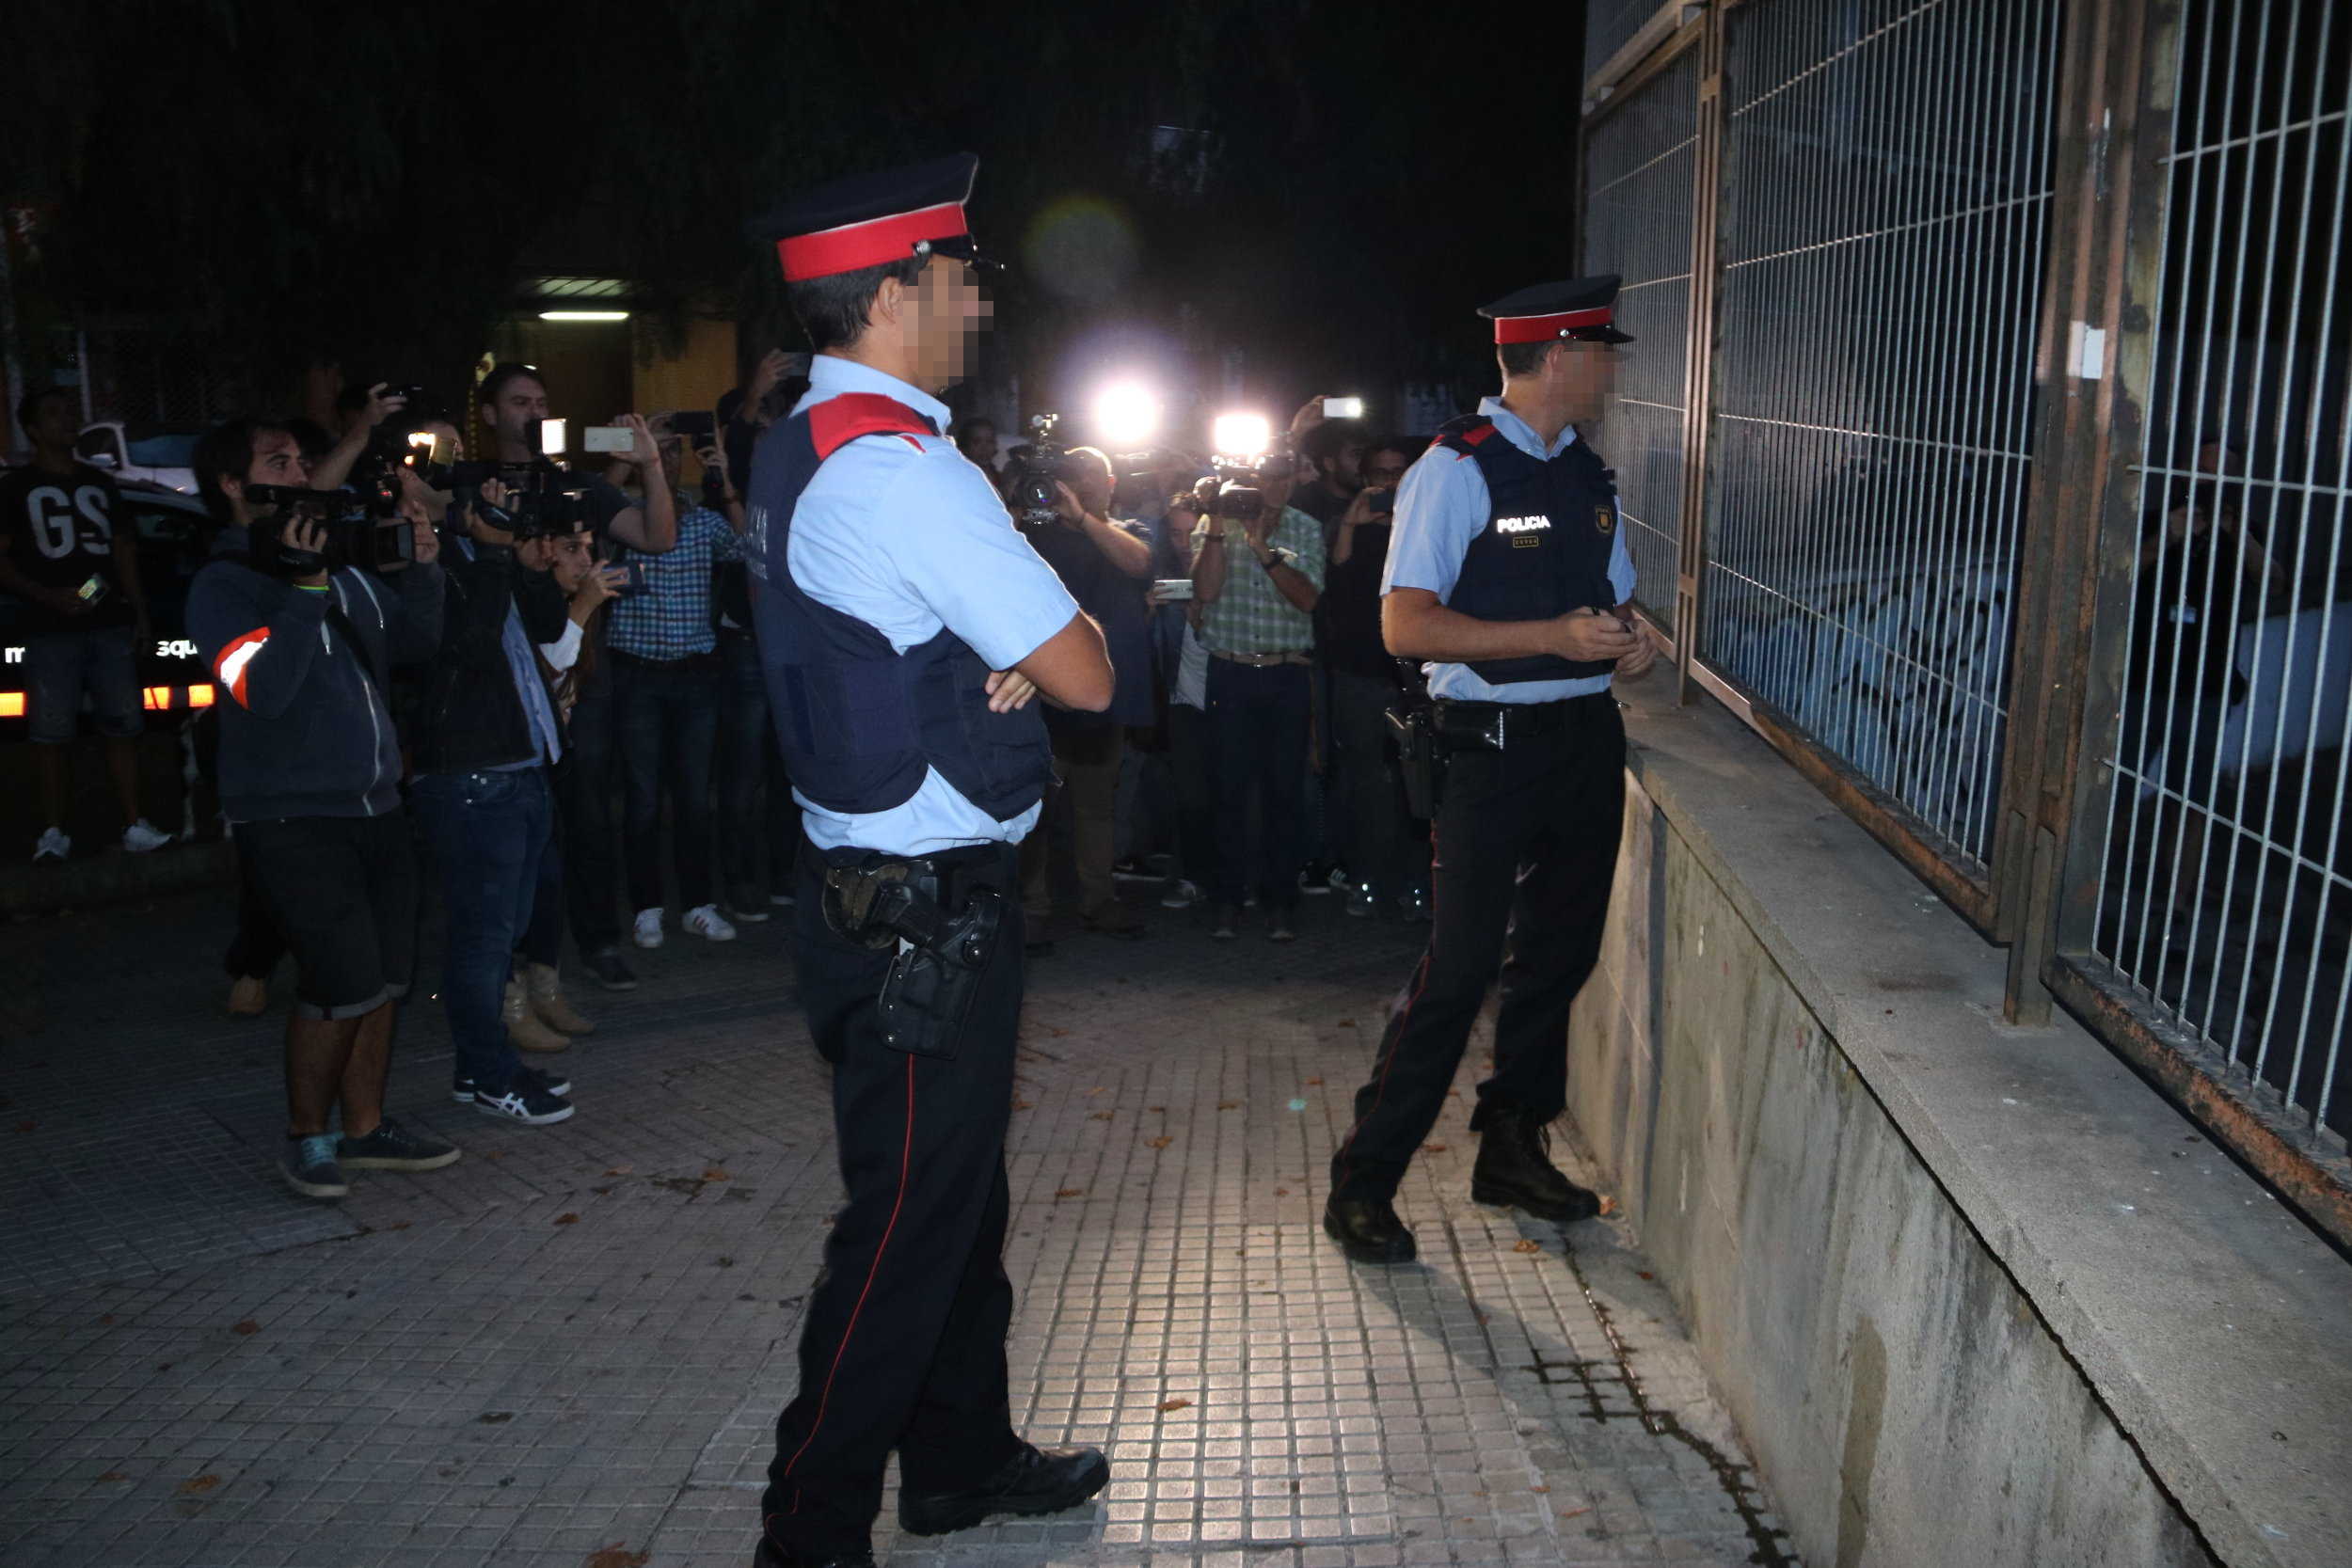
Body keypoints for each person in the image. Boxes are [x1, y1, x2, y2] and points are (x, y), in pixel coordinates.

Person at [744, 151, 1115, 1568]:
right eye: (963, 277)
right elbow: (1081, 672)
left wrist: (981, 644)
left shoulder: (798, 440)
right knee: (901, 1227)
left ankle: (957, 1457)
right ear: (901, 288)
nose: (976, 303)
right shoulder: (904, 469)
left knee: (956, 1201)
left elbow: (888, 637)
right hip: (925, 920)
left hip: (863, 900)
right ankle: (810, 1525)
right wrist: (1017, 640)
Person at [1323, 276, 1660, 1266]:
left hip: (1583, 739)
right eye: (1601, 352)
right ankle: (1365, 1176)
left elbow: (1617, 600)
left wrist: (1623, 641)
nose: (1611, 370)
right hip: (1488, 747)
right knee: (1458, 968)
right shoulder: (1455, 467)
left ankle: (1511, 1146)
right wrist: (1550, 636)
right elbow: (1403, 621)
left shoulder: (1589, 475)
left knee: (1556, 959)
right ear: (1558, 356)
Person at [184, 418, 457, 1198]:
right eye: (278, 462)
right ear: (234, 485)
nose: (300, 473)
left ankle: (365, 1129)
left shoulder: (337, 567)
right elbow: (260, 692)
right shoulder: (225, 584)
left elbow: (417, 644)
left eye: (304, 461)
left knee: (385, 980)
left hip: (376, 804)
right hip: (291, 816)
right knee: (339, 980)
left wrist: (425, 568)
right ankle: (307, 1138)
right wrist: (302, 592)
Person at [407, 436, 625, 1125]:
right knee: (481, 942)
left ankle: (482, 1070)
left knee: (498, 935)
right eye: (488, 501)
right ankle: (489, 1071)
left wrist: (525, 560)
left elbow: (545, 641)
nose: (503, 512)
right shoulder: (439, 566)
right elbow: (464, 650)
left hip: (519, 771)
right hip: (474, 779)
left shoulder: (497, 565)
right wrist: (497, 551)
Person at [474, 364, 678, 991]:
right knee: (517, 827)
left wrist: (649, 465)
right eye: (518, 402)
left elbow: (658, 537)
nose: (532, 412)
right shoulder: (473, 488)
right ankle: (523, 967)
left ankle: (597, 941)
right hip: (503, 674)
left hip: (581, 673)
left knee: (589, 813)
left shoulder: (578, 486)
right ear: (489, 414)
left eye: (541, 401)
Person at [0, 386, 172, 862]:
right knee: (50, 732)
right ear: (32, 430)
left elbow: (123, 552)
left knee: (122, 725)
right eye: (54, 415)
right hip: (47, 626)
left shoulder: (100, 484)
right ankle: (53, 831)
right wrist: (45, 595)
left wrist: (138, 613)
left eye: (70, 413)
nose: (67, 422)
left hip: (107, 620)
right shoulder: (16, 488)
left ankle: (134, 822)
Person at [604, 419, 749, 946]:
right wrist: (626, 451)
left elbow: (747, 547)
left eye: (670, 453)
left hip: (695, 676)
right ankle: (646, 906)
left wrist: (726, 480)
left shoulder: (701, 521)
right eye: (654, 452)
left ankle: (697, 904)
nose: (663, 460)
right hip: (638, 673)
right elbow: (592, 519)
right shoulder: (619, 520)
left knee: (692, 796)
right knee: (642, 798)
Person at [1017, 445, 1155, 942]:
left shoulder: (1128, 531)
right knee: (1036, 808)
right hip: (1045, 690)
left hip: (1105, 695)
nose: (1084, 484)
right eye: (1073, 476)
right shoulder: (1039, 533)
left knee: (1096, 807)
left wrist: (1083, 518)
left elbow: (1138, 563)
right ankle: (1031, 909)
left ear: (1112, 482)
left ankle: (1099, 901)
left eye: (1093, 475)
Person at [1188, 447, 1327, 941]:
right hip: (1231, 672)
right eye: (1268, 478)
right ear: (1252, 479)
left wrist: (1264, 548)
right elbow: (1204, 592)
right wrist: (1223, 528)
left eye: (1284, 477)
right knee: (1227, 790)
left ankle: (1279, 902)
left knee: (1284, 792)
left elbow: (1309, 598)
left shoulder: (1306, 528)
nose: (1276, 487)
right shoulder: (1213, 522)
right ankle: (1227, 899)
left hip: (1287, 674)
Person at [1325, 436, 1423, 917]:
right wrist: (1352, 523)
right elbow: (1334, 578)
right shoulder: (1346, 526)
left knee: (1416, 784)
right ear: (1364, 480)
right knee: (1366, 782)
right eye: (1380, 474)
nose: (1390, 482)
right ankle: (1368, 879)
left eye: (1398, 472)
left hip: (1414, 676)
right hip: (1361, 673)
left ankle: (1416, 883)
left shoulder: (1426, 522)